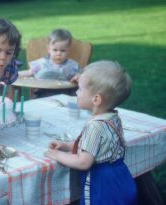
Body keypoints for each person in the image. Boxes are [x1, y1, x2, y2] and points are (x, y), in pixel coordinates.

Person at [45, 61, 137, 205]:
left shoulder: (95, 127)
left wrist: (57, 155)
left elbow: (83, 162)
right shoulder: (113, 117)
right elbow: (100, 147)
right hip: (120, 177)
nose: (76, 92)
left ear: (96, 99)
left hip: (102, 185)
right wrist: (68, 146)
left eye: (80, 89)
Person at [19, 28, 80, 97]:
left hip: (65, 94)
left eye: (63, 50)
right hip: (44, 93)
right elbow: (29, 73)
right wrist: (15, 75)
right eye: (55, 50)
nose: (58, 53)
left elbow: (80, 77)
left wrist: (78, 77)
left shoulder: (72, 66)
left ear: (69, 50)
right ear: (48, 49)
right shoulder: (42, 63)